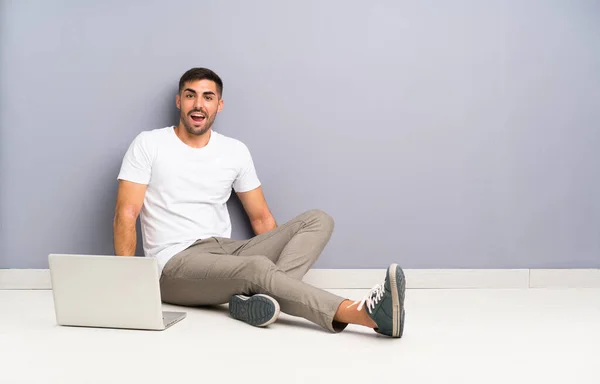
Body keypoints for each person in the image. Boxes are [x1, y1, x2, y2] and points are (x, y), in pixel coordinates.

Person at [113, 67, 406, 337]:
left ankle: (264, 300)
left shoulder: (234, 151)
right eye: (190, 96)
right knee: (256, 268)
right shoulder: (149, 144)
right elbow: (126, 213)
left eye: (208, 97)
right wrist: (128, 285)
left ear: (219, 105)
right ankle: (365, 314)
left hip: (224, 251)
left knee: (319, 219)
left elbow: (262, 218)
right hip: (173, 263)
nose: (198, 104)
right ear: (179, 101)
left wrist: (273, 275)